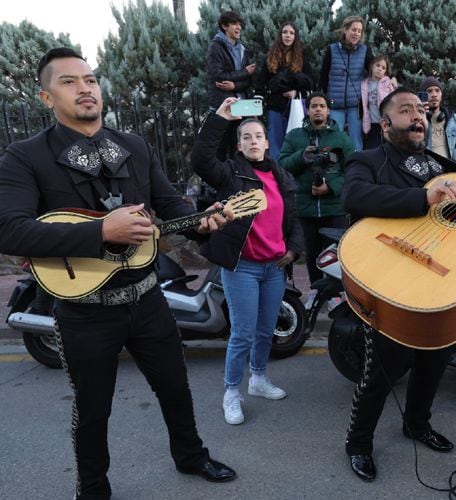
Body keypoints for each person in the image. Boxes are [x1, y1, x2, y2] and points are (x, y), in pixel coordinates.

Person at [0, 48, 237, 498]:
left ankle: (190, 456)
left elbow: (169, 208)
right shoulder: (25, 156)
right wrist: (100, 231)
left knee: (175, 387)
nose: (85, 87)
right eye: (69, 82)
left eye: (90, 79)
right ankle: (93, 487)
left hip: (148, 298)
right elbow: (8, 230)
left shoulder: (134, 145)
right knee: (93, 408)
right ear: (46, 97)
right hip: (84, 312)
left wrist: (202, 220)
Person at [340, 88, 456, 481]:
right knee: (383, 370)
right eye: (406, 110)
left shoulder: (437, 162)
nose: (418, 117)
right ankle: (358, 442)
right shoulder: (368, 160)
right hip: (391, 276)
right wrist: (422, 197)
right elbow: (354, 196)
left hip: (439, 278)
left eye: (421, 111)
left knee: (437, 356)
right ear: (385, 122)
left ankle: (417, 423)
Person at [192, 100, 304, 426]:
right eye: (246, 137)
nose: (253, 141)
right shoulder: (231, 172)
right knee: (241, 333)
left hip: (273, 268)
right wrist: (219, 119)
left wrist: (293, 250)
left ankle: (257, 379)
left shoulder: (282, 176)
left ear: (267, 142)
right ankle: (231, 392)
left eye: (258, 136)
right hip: (242, 266)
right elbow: (201, 160)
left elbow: (293, 220)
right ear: (239, 144)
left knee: (265, 331)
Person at [278, 92, 354, 287]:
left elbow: (353, 172)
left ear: (328, 110)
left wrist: (331, 187)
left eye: (321, 106)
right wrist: (301, 157)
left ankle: (336, 293)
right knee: (311, 251)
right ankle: (314, 289)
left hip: (335, 208)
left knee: (336, 252)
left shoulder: (342, 139)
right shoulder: (294, 137)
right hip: (305, 207)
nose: (318, 109)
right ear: (308, 110)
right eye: (313, 106)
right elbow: (282, 166)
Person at [258, 21, 314, 161]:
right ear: (280, 35)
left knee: (295, 142)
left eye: (291, 33)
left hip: (294, 107)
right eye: (285, 32)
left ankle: (293, 175)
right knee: (275, 142)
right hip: (275, 107)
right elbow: (260, 83)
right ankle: (277, 175)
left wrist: (296, 92)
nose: (288, 35)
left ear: (295, 37)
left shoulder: (301, 59)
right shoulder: (270, 58)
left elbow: (311, 83)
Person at [206, 10, 255, 160]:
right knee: (221, 149)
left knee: (239, 148)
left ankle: (240, 181)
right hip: (223, 105)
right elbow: (218, 76)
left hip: (241, 104)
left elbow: (249, 80)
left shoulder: (242, 49)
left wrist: (235, 86)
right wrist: (243, 72)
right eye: (234, 24)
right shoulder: (216, 47)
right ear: (224, 26)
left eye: (240, 24)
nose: (238, 27)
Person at [319, 15, 373, 151]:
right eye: (354, 30)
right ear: (345, 30)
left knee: (356, 142)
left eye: (359, 31)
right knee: (334, 140)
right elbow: (323, 76)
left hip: (355, 105)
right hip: (335, 104)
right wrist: (324, 100)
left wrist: (390, 78)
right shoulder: (331, 50)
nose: (356, 34)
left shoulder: (365, 51)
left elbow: (374, 72)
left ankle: (358, 169)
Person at [419, 76, 456, 167]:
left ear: (441, 94)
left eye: (437, 90)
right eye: (429, 91)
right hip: (427, 169)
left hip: (449, 169)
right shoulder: (418, 119)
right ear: (423, 95)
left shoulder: (454, 120)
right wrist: (420, 114)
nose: (434, 94)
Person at [360, 54, 398, 148]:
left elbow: (395, 100)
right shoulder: (364, 84)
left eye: (383, 68)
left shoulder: (388, 83)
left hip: (386, 123)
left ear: (385, 71)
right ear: (372, 66)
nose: (380, 69)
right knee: (373, 148)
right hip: (372, 123)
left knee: (387, 148)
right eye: (377, 65)